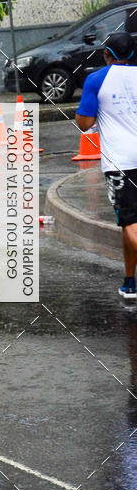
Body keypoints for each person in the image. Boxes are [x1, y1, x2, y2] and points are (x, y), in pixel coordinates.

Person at [76, 30, 137, 299]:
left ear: (106, 54)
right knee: (129, 224)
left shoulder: (96, 80)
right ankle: (130, 281)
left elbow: (85, 123)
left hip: (120, 163)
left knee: (131, 222)